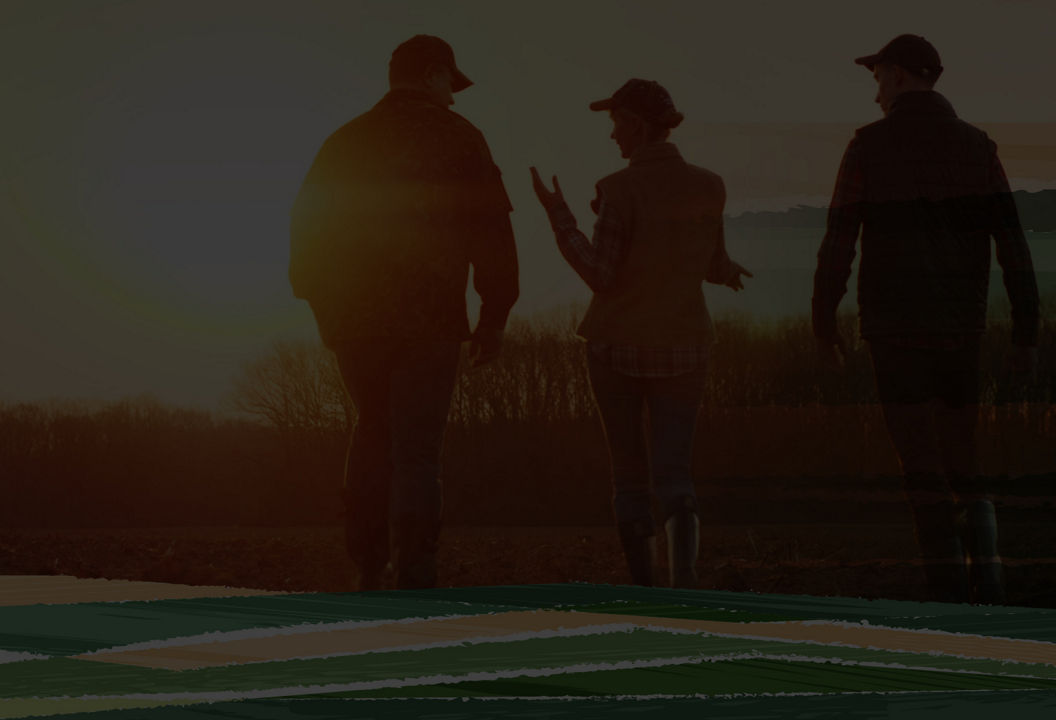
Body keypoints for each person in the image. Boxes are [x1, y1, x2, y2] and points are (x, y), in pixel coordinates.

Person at [812, 35, 1039, 604]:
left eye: (878, 78)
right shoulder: (978, 147)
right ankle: (988, 570)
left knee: (919, 464)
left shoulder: (867, 146)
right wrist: (1025, 330)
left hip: (893, 328)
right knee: (963, 456)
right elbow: (1012, 242)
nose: (875, 94)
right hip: (961, 327)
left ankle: (945, 591)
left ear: (899, 76)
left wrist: (823, 322)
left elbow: (839, 240)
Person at [289, 35, 518, 590]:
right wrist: (494, 314)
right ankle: (416, 572)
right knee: (418, 454)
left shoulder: (343, 142)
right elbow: (492, 233)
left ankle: (369, 567)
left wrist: (326, 309)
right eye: (451, 84)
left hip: (357, 326)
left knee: (372, 432)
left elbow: (307, 236)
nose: (455, 97)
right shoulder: (463, 140)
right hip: (432, 324)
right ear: (434, 74)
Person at [530, 79, 750, 589]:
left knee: (629, 477)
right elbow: (711, 261)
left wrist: (559, 216)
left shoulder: (618, 189)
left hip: (617, 346)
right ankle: (686, 579)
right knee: (675, 473)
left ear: (635, 124)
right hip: (688, 344)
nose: (612, 136)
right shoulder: (710, 185)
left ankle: (648, 587)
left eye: (615, 124)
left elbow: (602, 275)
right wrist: (729, 271)